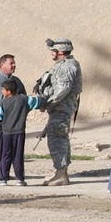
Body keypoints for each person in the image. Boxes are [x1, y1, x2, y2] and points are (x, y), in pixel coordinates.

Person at [36, 38, 83, 186]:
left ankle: (61, 174)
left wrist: (48, 103)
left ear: (61, 52)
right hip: (59, 109)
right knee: (59, 139)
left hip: (61, 109)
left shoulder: (66, 67)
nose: (51, 54)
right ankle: (60, 172)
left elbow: (63, 89)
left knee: (57, 140)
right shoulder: (65, 65)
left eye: (53, 51)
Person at [0, 81, 43, 186]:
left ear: (8, 91)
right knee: (18, 155)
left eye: (3, 90)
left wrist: (2, 127)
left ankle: (3, 178)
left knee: (5, 154)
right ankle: (20, 179)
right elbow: (38, 102)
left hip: (7, 133)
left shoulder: (2, 103)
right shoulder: (24, 99)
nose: (2, 92)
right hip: (20, 132)